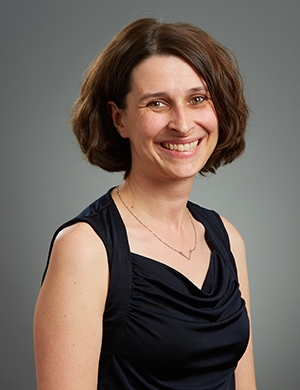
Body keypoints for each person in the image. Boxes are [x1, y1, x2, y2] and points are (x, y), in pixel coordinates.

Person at [34, 18, 257, 389]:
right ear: (119, 119)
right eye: (157, 103)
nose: (183, 124)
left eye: (198, 99)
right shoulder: (85, 249)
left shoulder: (227, 238)